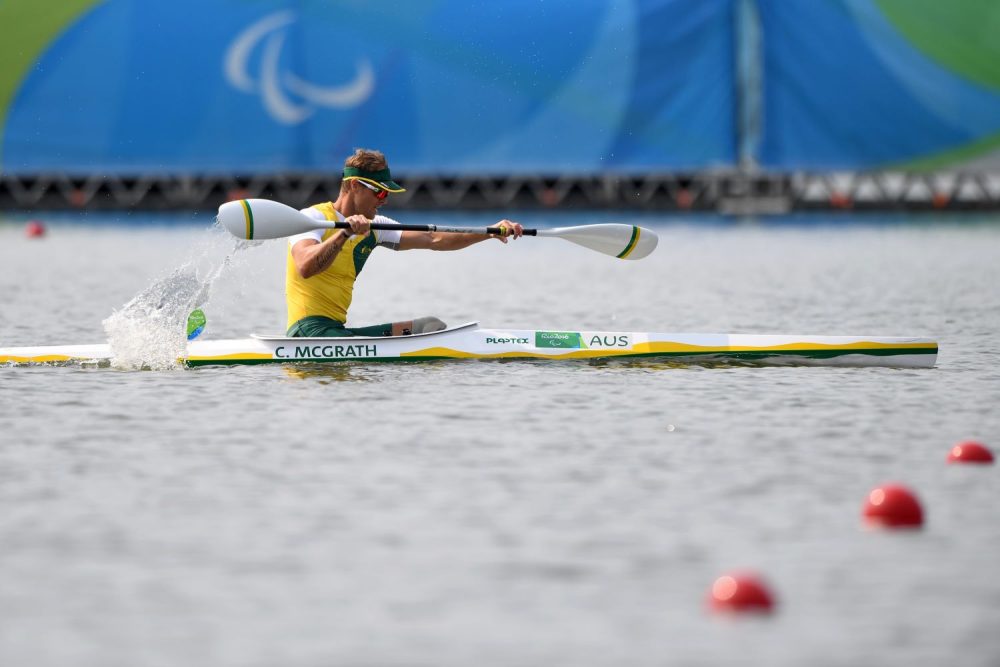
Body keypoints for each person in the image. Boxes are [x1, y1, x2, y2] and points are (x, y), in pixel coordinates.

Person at [286, 148, 523, 337]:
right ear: (355, 186)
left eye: (387, 194)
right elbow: (305, 266)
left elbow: (434, 238)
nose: (384, 200)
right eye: (379, 193)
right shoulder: (312, 218)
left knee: (430, 327)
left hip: (335, 331)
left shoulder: (376, 226)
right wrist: (344, 234)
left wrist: (489, 232)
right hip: (307, 332)